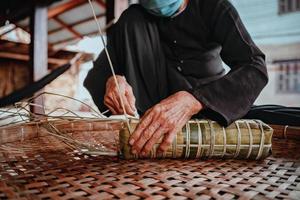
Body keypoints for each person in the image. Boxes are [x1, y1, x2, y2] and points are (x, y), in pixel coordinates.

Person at [84, 0, 268, 156]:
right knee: (133, 19)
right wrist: (112, 81)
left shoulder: (213, 7)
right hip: (149, 119)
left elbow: (254, 67)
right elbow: (97, 76)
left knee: (283, 117)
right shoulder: (131, 21)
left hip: (211, 110)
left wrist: (194, 100)